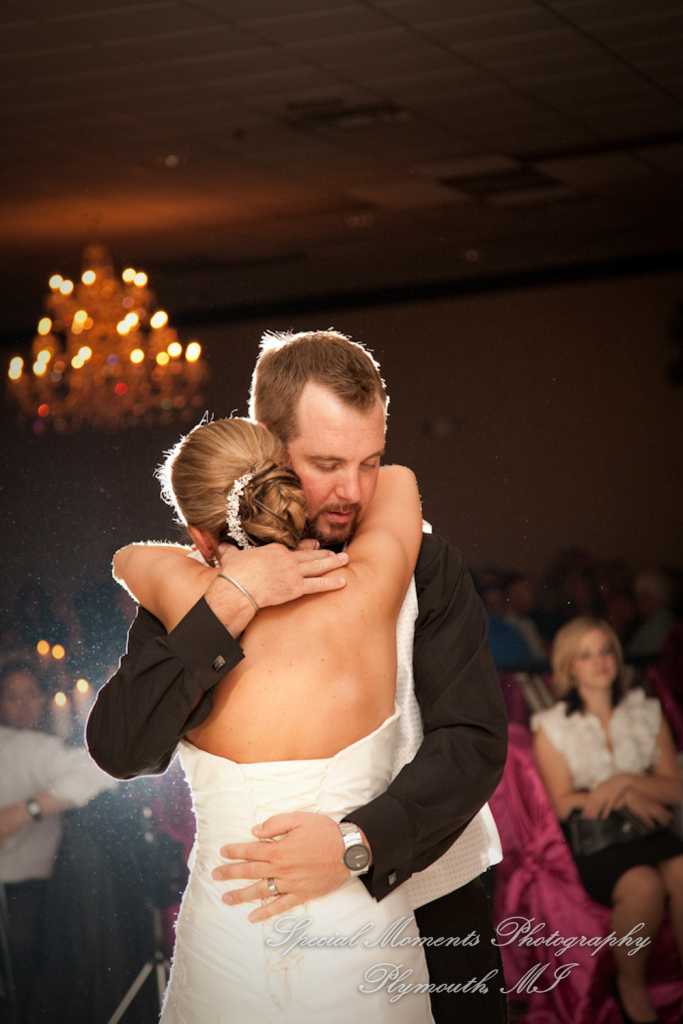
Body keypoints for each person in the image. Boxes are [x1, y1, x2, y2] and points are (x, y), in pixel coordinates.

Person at [87, 330, 508, 1023]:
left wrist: (358, 841)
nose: (352, 491)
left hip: (429, 888)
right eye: (326, 462)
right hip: (242, 920)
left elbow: (470, 739)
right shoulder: (200, 588)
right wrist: (230, 599)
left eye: (371, 461)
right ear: (266, 446)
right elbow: (124, 747)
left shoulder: (420, 562)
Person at [113, 415, 434, 1021]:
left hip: (227, 931)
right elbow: (398, 480)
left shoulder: (183, 595)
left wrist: (231, 582)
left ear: (200, 537)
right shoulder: (368, 586)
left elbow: (129, 558)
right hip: (359, 932)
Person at [532, 618, 683, 1024]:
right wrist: (629, 796)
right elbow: (563, 804)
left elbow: (677, 789)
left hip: (651, 831)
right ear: (569, 667)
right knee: (644, 886)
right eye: (585, 654)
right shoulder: (551, 726)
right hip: (599, 841)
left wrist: (625, 783)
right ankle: (632, 990)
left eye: (605, 651)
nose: (599, 661)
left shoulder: (645, 711)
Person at [0, 657, 117, 1022]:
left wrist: (26, 809)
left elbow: (100, 771)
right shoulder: (18, 746)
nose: (23, 705)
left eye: (31, 694)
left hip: (32, 899)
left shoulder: (37, 748)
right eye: (11, 696)